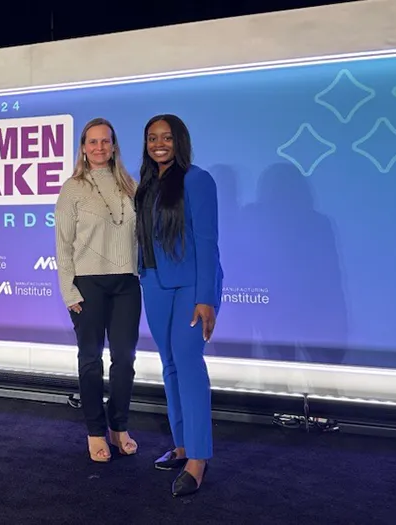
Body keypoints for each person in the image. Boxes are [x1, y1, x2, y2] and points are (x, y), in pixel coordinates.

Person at [134, 114, 223, 496]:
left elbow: (206, 242)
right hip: (153, 283)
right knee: (169, 363)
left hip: (191, 288)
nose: (159, 143)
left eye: (166, 137)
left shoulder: (197, 179)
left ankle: (199, 458)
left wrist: (206, 298)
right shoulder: (146, 186)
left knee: (188, 363)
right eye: (152, 138)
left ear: (179, 141)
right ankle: (182, 444)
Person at [55, 117, 141, 463]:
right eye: (92, 142)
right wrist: (68, 290)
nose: (99, 147)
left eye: (105, 141)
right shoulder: (72, 188)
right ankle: (95, 431)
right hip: (87, 284)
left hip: (126, 283)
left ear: (114, 146)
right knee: (91, 360)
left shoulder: (130, 185)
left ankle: (119, 426)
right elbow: (62, 245)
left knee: (125, 359)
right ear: (83, 148)